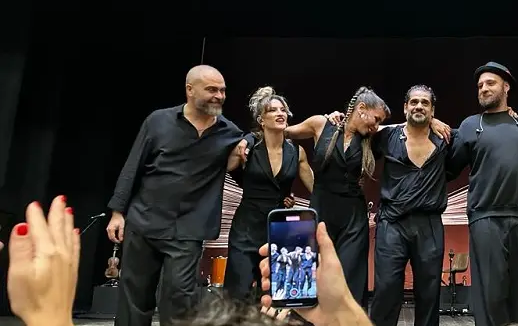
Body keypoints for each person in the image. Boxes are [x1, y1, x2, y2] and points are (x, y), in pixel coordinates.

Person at [105, 65, 249, 326]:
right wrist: (117, 212)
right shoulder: (158, 121)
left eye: (223, 90)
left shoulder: (230, 133)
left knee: (180, 299)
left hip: (188, 228)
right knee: (135, 298)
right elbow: (132, 166)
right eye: (212, 89)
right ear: (190, 90)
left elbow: (240, 167)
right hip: (145, 220)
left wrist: (242, 151)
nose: (219, 96)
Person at [282, 86, 392, 307]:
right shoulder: (321, 124)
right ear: (361, 108)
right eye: (376, 119)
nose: (376, 125)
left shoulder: (371, 138)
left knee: (350, 277)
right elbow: (283, 133)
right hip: (320, 210)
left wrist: (433, 122)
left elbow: (405, 128)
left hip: (353, 217)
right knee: (312, 274)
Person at [447, 61, 518, 326]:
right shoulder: (470, 125)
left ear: (506, 87)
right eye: (479, 86)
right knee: (490, 294)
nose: (483, 89)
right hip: (486, 217)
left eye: (490, 83)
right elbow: (449, 169)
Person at [368, 84, 456, 326]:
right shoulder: (386, 136)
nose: (419, 106)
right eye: (414, 102)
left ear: (432, 110)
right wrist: (331, 117)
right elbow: (360, 130)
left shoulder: (447, 139)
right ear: (405, 107)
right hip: (392, 224)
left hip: (429, 225)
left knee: (429, 294)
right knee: (386, 289)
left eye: (425, 103)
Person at [224, 86, 314, 301]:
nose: (280, 113)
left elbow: (315, 188)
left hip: (279, 230)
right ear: (261, 120)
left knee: (273, 296)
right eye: (273, 110)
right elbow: (224, 167)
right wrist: (247, 139)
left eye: (283, 110)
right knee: (238, 292)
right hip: (246, 228)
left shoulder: (297, 152)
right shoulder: (248, 148)